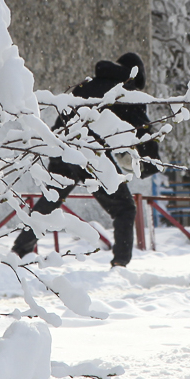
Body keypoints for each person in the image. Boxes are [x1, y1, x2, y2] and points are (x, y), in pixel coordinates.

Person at [14, 52, 160, 267]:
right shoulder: (124, 90)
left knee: (51, 201)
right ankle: (120, 264)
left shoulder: (87, 84)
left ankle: (19, 252)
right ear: (135, 77)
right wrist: (150, 162)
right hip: (90, 154)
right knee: (124, 208)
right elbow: (142, 130)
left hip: (62, 146)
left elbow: (64, 116)